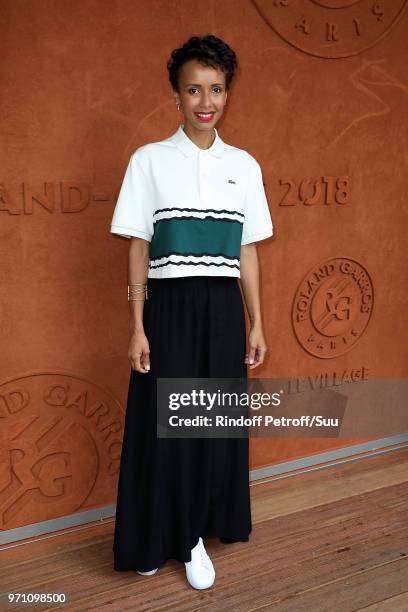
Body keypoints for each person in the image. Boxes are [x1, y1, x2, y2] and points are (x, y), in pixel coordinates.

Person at [110, 34, 273, 590]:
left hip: (222, 308)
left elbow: (247, 250)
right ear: (176, 96)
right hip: (169, 306)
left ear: (228, 94)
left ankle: (196, 535)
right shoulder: (149, 160)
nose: (207, 101)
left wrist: (257, 321)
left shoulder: (244, 166)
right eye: (194, 89)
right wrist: (136, 325)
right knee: (165, 428)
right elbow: (137, 245)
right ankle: (158, 536)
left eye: (217, 89)